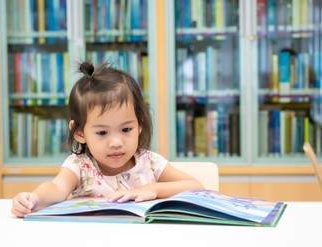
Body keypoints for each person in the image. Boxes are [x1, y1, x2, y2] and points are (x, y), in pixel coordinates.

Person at [11, 62, 204, 217]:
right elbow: (56, 188)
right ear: (79, 132)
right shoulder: (80, 165)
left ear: (140, 125)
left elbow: (195, 186)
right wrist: (33, 198)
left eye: (126, 129)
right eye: (102, 133)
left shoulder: (149, 162)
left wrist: (153, 189)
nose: (116, 142)